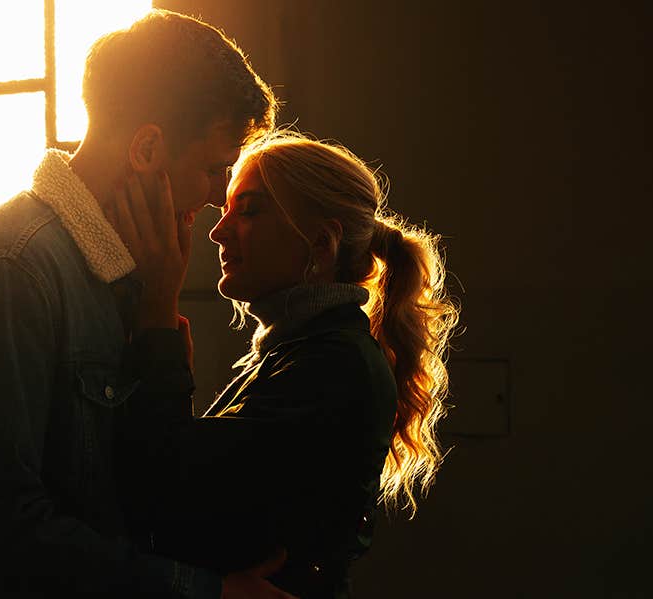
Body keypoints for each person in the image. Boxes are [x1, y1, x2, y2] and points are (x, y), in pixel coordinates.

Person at [0, 10, 291, 598]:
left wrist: (157, 317)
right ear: (147, 148)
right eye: (211, 170)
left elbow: (131, 491)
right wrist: (207, 592)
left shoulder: (120, 276)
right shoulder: (5, 275)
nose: (212, 203)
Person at [107, 131, 460, 598]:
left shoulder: (335, 365)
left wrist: (159, 320)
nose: (218, 231)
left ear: (320, 245)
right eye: (226, 208)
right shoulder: (302, 349)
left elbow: (163, 486)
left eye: (248, 210)